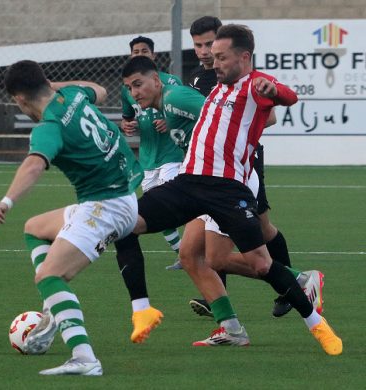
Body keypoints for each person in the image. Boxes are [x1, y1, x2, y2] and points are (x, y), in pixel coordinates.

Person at [117, 25, 342, 355]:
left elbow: (288, 96)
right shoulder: (214, 87)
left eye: (220, 56)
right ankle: (149, 311)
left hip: (226, 189)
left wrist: (274, 90)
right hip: (190, 183)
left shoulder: (253, 86)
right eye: (209, 52)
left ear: (244, 57)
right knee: (129, 225)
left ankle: (317, 324)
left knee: (260, 263)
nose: (213, 60)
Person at [0, 60, 144, 376]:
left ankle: (84, 358)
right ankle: (54, 310)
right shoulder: (76, 95)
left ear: (19, 99)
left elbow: (34, 165)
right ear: (47, 83)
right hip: (123, 197)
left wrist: (5, 203)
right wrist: (52, 85)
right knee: (35, 228)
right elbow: (101, 90)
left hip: (105, 207)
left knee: (48, 277)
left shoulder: (49, 127)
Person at [187, 16, 297, 319]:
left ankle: (291, 284)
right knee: (198, 244)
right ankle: (217, 298)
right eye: (198, 45)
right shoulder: (198, 78)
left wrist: (237, 135)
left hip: (241, 163)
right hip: (208, 168)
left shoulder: (243, 78)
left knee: (261, 228)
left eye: (211, 44)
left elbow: (271, 114)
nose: (205, 51)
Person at [116, 55, 206, 343]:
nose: (134, 92)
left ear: (155, 76)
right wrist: (127, 126)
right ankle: (232, 327)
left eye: (138, 85)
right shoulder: (138, 94)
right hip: (162, 165)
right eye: (130, 87)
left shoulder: (174, 92)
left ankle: (299, 284)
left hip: (200, 174)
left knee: (233, 257)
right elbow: (128, 118)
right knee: (218, 257)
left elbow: (214, 116)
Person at [121, 36, 184, 270]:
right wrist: (127, 126)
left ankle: (195, 251)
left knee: (170, 205)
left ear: (153, 55)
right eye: (135, 51)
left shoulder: (171, 82)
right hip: (147, 157)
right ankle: (182, 253)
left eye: (144, 51)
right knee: (158, 212)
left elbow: (184, 111)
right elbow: (128, 117)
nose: (139, 54)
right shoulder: (127, 89)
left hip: (172, 154)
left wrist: (170, 121)